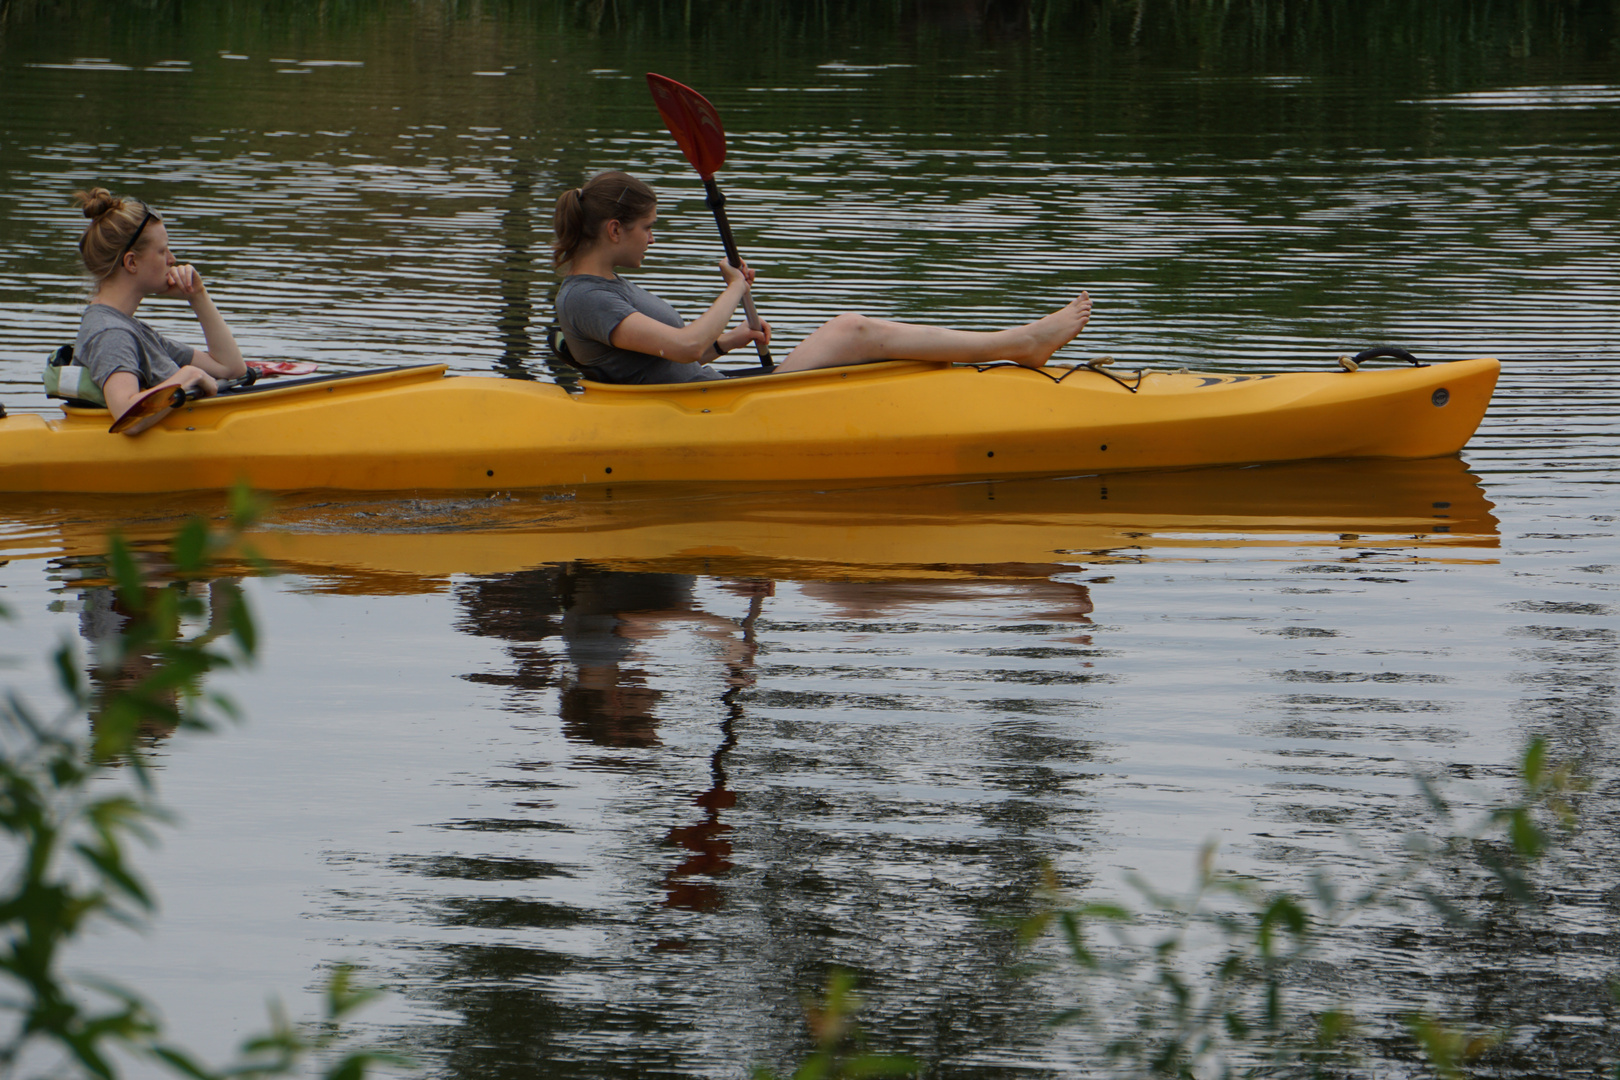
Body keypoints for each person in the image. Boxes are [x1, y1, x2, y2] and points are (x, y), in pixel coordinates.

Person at [551, 170, 1092, 384]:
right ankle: (1020, 343)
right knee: (853, 330)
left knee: (858, 335)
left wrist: (732, 339)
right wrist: (734, 290)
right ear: (615, 231)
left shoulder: (608, 291)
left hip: (718, 398)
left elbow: (668, 355)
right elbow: (683, 348)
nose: (654, 237)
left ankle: (1013, 346)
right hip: (718, 414)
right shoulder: (585, 299)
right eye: (648, 228)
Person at [70, 188, 248, 422]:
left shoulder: (130, 328)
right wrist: (187, 376)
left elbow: (231, 368)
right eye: (162, 250)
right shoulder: (112, 333)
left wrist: (197, 295)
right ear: (132, 262)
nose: (172, 260)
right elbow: (126, 415)